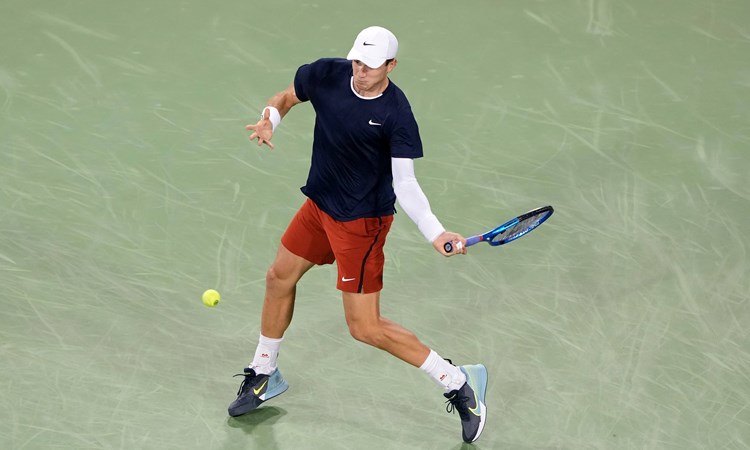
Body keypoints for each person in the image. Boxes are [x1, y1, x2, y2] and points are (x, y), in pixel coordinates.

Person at [228, 26, 488, 443]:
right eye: (357, 62)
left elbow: (405, 184)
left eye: (371, 65)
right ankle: (264, 372)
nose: (361, 71)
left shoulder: (397, 114)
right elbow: (287, 97)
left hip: (361, 224)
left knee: (365, 328)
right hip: (319, 206)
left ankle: (459, 380)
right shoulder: (329, 74)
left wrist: (435, 231)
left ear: (391, 65)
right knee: (279, 278)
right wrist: (269, 119)